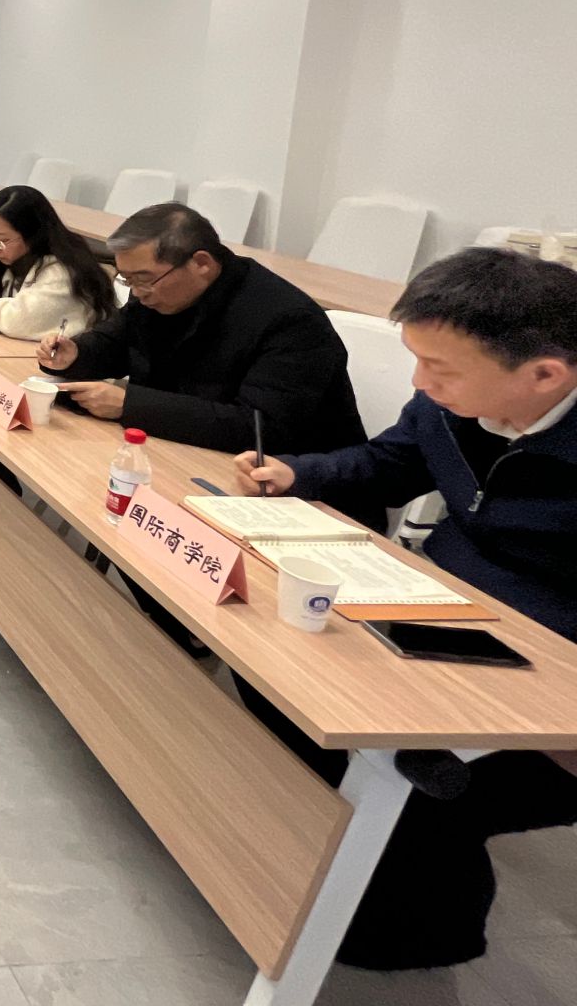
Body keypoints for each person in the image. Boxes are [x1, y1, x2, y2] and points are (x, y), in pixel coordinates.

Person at [229, 247, 577, 972]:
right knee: (278, 679)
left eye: (439, 369)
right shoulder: (452, 407)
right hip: (441, 612)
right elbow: (391, 462)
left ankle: (415, 935)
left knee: (412, 783)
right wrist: (298, 472)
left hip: (545, 670)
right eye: (415, 361)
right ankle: (311, 864)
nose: (420, 383)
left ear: (545, 375)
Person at [37, 202, 363, 453]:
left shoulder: (288, 320)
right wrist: (76, 354)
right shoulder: (159, 294)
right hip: (183, 450)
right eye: (127, 279)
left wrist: (129, 405)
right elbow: (118, 343)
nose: (136, 292)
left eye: (144, 279)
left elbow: (261, 428)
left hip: (292, 484)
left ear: (201, 263)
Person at [0, 183, 117, 338]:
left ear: (34, 235)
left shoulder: (63, 273)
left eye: (2, 240)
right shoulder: (15, 258)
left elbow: (19, 320)